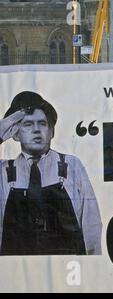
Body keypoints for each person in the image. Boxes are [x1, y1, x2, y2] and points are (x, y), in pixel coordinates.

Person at [0, 91, 102, 255]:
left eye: (42, 123)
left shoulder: (71, 166)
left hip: (67, 271)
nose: (36, 130)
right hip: (15, 273)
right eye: (27, 125)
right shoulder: (3, 171)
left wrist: (93, 266)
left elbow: (91, 224)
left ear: (52, 131)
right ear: (15, 133)